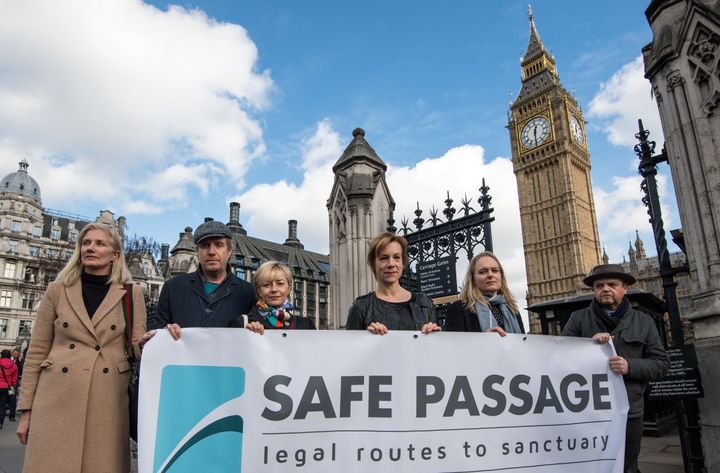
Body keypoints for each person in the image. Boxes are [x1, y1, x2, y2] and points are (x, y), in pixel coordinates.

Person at [15, 222, 147, 473]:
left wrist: (154, 341)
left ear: (115, 254)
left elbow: (137, 346)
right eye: (86, 243)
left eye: (99, 243)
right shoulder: (57, 290)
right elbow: (36, 353)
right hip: (57, 397)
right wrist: (26, 411)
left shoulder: (132, 294)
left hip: (107, 401)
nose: (90, 248)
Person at [562, 264, 669, 473]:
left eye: (612, 284)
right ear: (594, 290)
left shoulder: (643, 322)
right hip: (589, 410)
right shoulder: (578, 319)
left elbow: (662, 364)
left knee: (628, 466)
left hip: (629, 411)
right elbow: (559, 357)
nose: (605, 289)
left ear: (625, 288)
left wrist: (630, 366)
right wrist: (587, 347)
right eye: (599, 285)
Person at [151, 220, 256, 339]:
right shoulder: (173, 288)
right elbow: (157, 332)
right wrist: (165, 332)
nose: (211, 252)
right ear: (197, 252)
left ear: (229, 251)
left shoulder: (247, 292)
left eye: (218, 245)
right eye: (205, 245)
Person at [346, 232, 440, 334]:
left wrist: (435, 335)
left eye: (396, 257)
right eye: (384, 258)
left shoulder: (425, 303)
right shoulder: (361, 307)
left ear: (403, 263)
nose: (391, 264)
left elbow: (436, 348)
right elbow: (350, 348)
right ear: (373, 264)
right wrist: (369, 339)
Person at [444, 251, 525, 335]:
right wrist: (484, 341)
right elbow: (453, 345)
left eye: (495, 270)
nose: (490, 275)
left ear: (501, 276)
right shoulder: (460, 308)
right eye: (482, 272)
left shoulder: (512, 310)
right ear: (473, 279)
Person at [243, 261, 316, 333]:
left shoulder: (306, 325)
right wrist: (246, 332)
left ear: (289, 288)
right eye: (266, 285)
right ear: (258, 290)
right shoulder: (244, 323)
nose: (274, 289)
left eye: (280, 283)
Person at [0, 349, 18, 429]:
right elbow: (14, 378)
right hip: (7, 387)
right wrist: (13, 386)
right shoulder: (14, 365)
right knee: (2, 406)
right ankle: (0, 423)